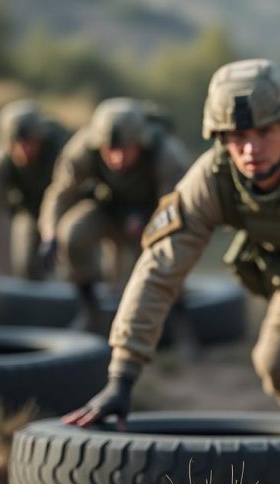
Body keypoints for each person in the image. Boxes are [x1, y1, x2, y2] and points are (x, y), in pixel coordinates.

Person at [61, 58, 280, 427]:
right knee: (277, 368)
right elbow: (158, 268)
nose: (251, 149)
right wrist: (122, 376)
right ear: (221, 138)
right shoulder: (213, 177)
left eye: (264, 132)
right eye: (238, 137)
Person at [37, 97, 190, 331]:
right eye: (110, 150)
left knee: (166, 260)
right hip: (108, 209)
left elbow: (174, 207)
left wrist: (148, 223)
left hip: (152, 216)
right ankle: (91, 312)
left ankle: (180, 325)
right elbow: (59, 193)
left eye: (125, 149)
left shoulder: (166, 154)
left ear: (140, 143)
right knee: (72, 232)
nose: (117, 159)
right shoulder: (83, 150)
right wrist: (49, 234)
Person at [0, 100, 68, 280]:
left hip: (63, 210)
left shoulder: (60, 152)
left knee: (70, 259)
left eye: (30, 143)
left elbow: (71, 188)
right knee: (25, 265)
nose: (25, 150)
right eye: (18, 144)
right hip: (29, 210)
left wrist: (52, 232)